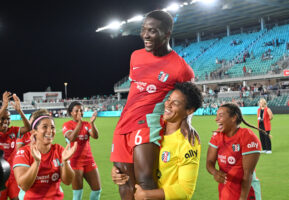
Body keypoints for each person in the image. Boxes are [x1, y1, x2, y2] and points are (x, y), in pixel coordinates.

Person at [110, 10, 195, 199]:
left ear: (167, 34)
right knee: (124, 182)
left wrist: (187, 121)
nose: (145, 35)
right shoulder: (136, 56)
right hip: (123, 125)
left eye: (152, 31)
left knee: (145, 182)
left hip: (148, 124)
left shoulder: (180, 67)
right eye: (143, 30)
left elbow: (193, 98)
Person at [112, 82, 202, 200]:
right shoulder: (152, 126)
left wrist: (147, 194)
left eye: (175, 103)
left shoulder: (188, 141)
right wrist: (119, 172)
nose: (168, 105)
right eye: (169, 99)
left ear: (189, 110)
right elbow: (135, 156)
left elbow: (185, 191)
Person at [13, 112, 77, 200]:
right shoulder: (24, 152)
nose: (50, 131)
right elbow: (24, 186)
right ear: (34, 132)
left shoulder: (59, 150)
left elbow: (68, 181)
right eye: (45, 127)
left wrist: (65, 162)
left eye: (52, 127)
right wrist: (37, 162)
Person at [206, 103, 262, 200]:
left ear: (233, 118)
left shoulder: (248, 137)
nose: (216, 119)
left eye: (221, 115)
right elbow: (209, 162)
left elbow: (247, 174)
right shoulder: (217, 136)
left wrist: (242, 198)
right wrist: (214, 172)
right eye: (217, 115)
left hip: (247, 193)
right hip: (225, 193)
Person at [62, 101, 101, 200]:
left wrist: (92, 123)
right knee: (78, 195)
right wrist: (79, 122)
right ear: (71, 112)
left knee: (97, 190)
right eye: (76, 111)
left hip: (89, 160)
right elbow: (71, 138)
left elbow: (95, 136)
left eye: (81, 110)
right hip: (75, 162)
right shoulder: (67, 125)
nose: (79, 113)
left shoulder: (87, 124)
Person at [0, 92, 30, 200]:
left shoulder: (13, 131)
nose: (5, 121)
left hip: (12, 176)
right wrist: (4, 106)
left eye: (8, 118)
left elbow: (28, 128)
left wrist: (20, 111)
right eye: (2, 118)